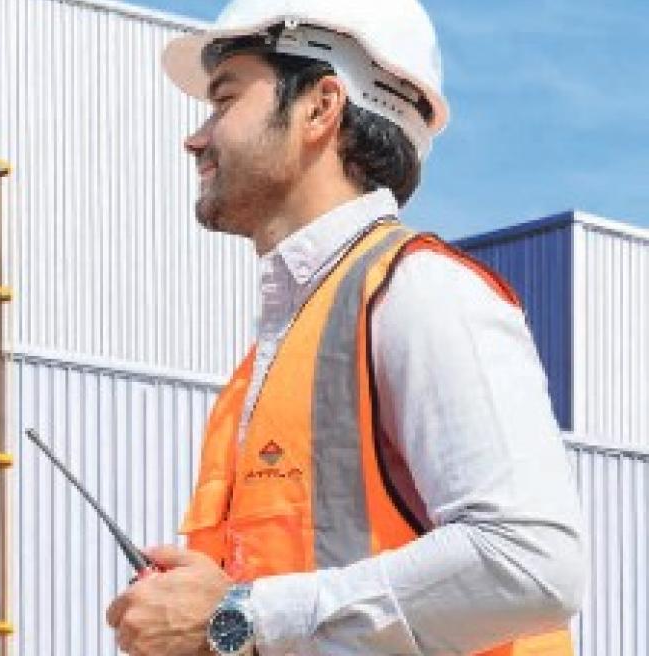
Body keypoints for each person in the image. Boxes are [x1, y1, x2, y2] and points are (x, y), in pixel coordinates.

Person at [105, 1, 586, 654]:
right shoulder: (279, 355)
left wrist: (238, 617)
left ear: (320, 107)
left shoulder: (420, 291)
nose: (197, 137)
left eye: (224, 100)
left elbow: (531, 562)